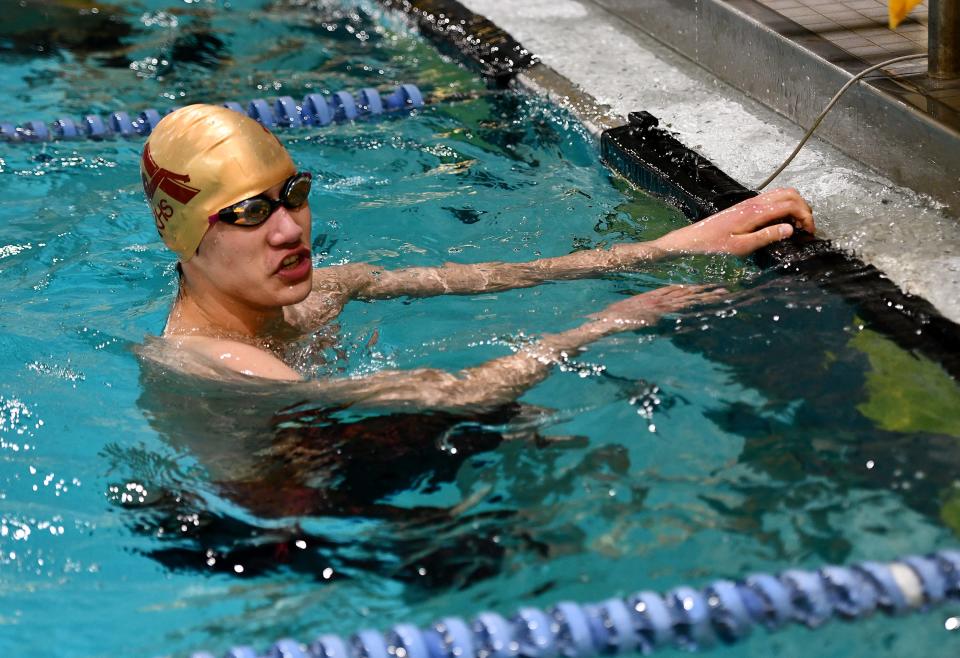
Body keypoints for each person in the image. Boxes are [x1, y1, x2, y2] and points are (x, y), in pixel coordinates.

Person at [140, 104, 815, 412]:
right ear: (183, 236)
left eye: (295, 194)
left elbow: (496, 277)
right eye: (252, 212)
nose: (290, 230)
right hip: (278, 533)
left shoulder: (318, 290)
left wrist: (664, 248)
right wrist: (603, 325)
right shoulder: (227, 362)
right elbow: (451, 396)